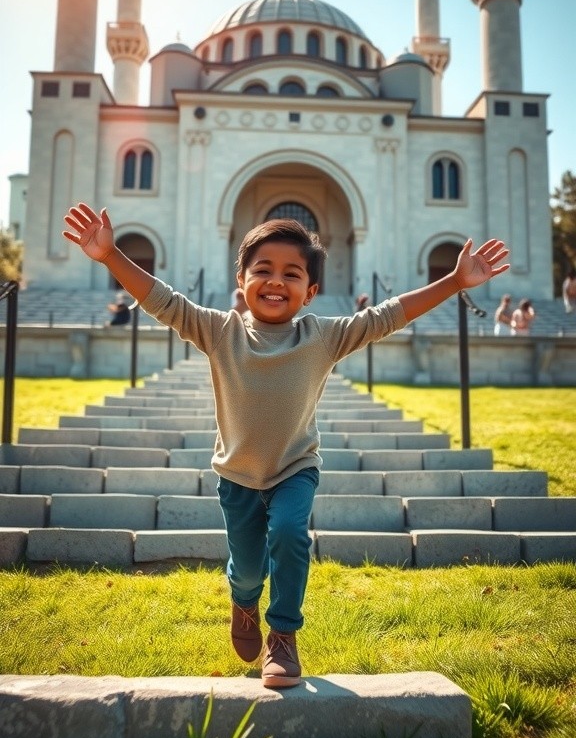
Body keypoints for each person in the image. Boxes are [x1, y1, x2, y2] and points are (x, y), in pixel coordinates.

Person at [63, 202, 510, 689]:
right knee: (249, 568)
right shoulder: (219, 331)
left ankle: (283, 637)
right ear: (242, 279)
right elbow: (163, 301)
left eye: (291, 273)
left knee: (292, 535)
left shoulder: (323, 336)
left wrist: (454, 283)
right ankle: (244, 600)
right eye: (264, 270)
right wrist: (110, 257)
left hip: (296, 468)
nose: (276, 281)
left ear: (311, 291)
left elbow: (387, 315)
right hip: (237, 476)